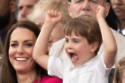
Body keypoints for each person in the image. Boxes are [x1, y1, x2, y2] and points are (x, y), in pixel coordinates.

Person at [33, 3, 117, 82]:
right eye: (67, 40)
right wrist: (48, 25)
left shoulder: (99, 65)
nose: (69, 46)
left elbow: (111, 48)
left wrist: (100, 19)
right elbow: (38, 55)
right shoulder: (65, 67)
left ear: (93, 46)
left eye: (75, 41)